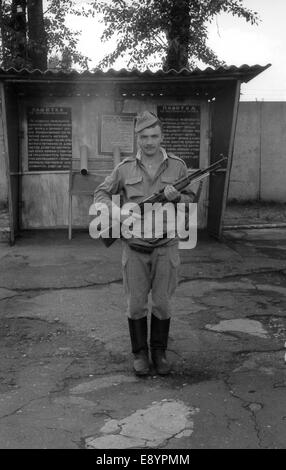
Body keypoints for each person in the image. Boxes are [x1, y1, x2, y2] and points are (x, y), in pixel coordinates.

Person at [93, 111, 195, 376]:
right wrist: (118, 213)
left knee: (162, 303)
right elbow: (100, 194)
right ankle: (140, 354)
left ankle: (159, 353)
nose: (149, 142)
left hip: (166, 246)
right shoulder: (124, 168)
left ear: (162, 136)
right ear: (137, 138)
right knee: (136, 304)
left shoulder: (178, 166)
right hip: (135, 248)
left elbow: (190, 201)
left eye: (154, 136)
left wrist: (176, 199)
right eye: (144, 137)